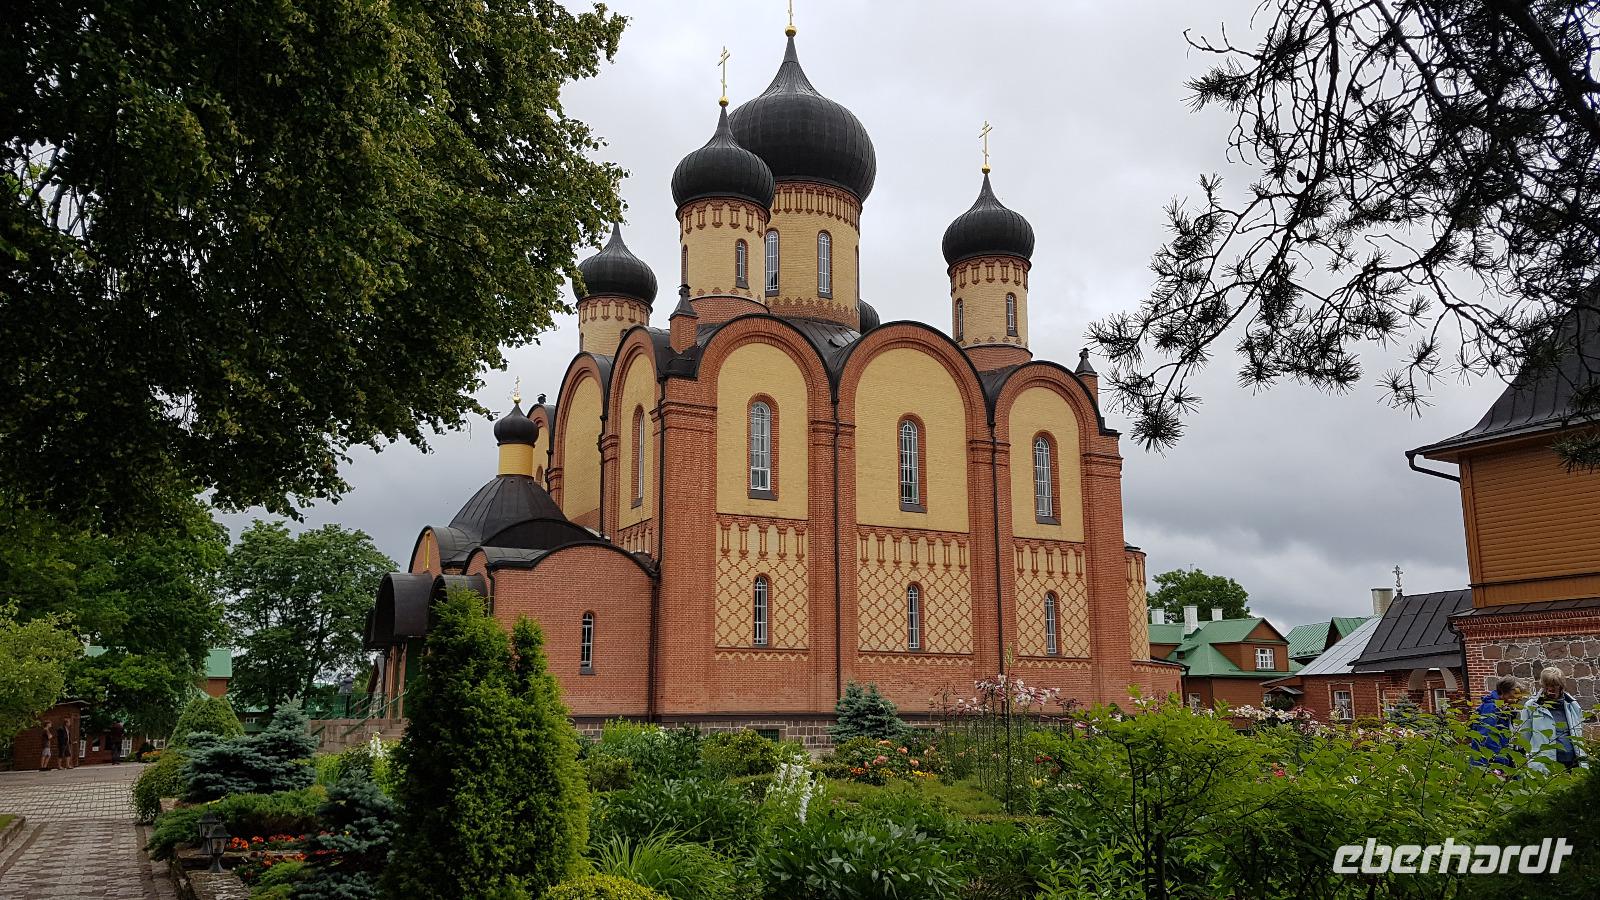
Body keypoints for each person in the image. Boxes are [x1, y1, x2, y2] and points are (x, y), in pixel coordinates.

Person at [1520, 667, 1588, 773]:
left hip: (1573, 764)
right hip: (1544, 765)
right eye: (1548, 685)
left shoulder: (1573, 705)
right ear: (1543, 685)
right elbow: (1524, 738)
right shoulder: (1532, 707)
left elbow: (1578, 735)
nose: (1551, 689)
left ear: (1562, 686)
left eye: (1555, 685)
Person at [1470, 677, 1523, 767]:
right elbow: (1486, 740)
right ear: (1503, 693)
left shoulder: (1504, 710)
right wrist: (1498, 766)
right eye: (1515, 694)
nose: (1519, 699)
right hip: (1489, 765)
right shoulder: (1491, 709)